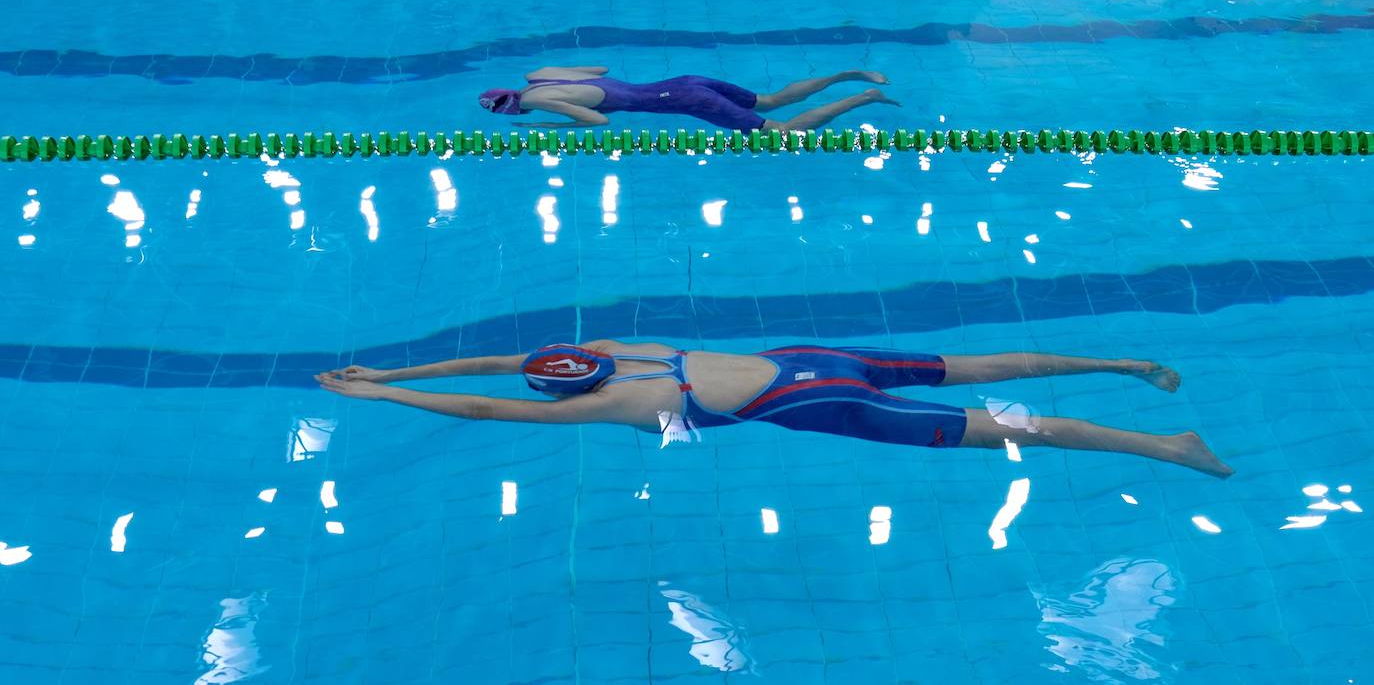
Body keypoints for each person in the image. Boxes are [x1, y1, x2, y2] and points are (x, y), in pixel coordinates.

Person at [316, 341, 1234, 479]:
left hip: (826, 405)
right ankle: (1123, 362)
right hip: (816, 356)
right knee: (986, 361)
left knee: (1029, 431)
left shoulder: (616, 404)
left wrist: (388, 393)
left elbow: (482, 404)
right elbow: (496, 357)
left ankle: (1172, 446)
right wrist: (387, 369)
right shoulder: (621, 350)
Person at [478, 67, 897, 132]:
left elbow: (598, 123)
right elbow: (601, 70)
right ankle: (850, 73)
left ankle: (863, 97)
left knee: (782, 134)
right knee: (769, 100)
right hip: (685, 79)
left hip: (687, 101)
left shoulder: (540, 105)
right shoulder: (539, 77)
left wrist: (546, 127)